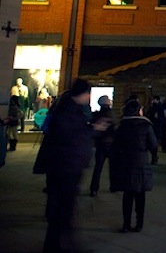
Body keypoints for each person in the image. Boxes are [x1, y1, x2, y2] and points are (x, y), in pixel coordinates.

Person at [37, 78, 106, 253]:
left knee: (63, 209)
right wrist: (93, 129)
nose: (89, 97)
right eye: (88, 93)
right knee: (63, 209)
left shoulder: (71, 108)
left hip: (67, 165)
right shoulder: (67, 110)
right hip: (64, 166)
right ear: (82, 94)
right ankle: (59, 245)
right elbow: (70, 136)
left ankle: (57, 244)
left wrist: (92, 129)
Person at [110, 99, 158, 233]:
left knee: (127, 195)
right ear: (138, 110)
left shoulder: (122, 126)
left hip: (125, 161)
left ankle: (126, 224)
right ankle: (139, 224)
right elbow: (153, 145)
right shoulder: (146, 125)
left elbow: (116, 145)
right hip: (141, 162)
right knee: (140, 194)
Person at [89, 95, 116, 196]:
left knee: (98, 167)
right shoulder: (111, 114)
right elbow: (115, 128)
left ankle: (94, 188)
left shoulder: (96, 114)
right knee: (113, 166)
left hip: (100, 144)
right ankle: (113, 186)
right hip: (111, 144)